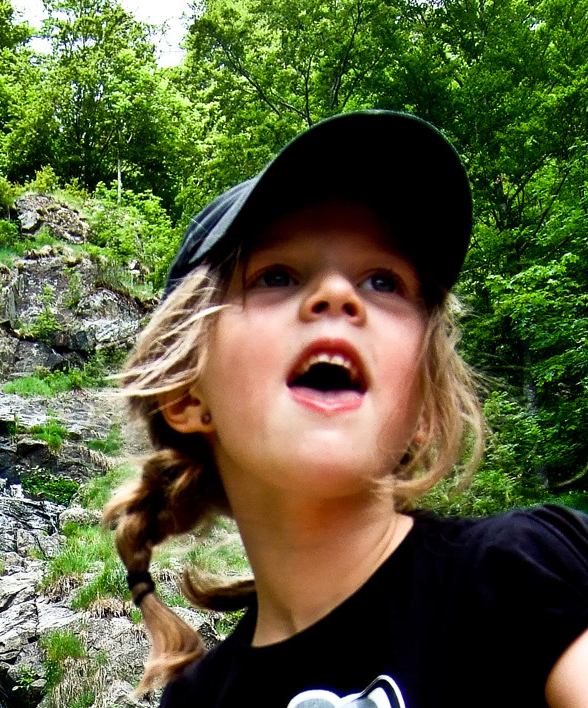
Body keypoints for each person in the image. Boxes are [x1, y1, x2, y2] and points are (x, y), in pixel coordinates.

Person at [102, 111, 588, 707]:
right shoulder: (197, 702)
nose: (337, 293)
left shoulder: (526, 571)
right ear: (184, 395)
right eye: (276, 276)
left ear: (423, 405)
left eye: (384, 282)